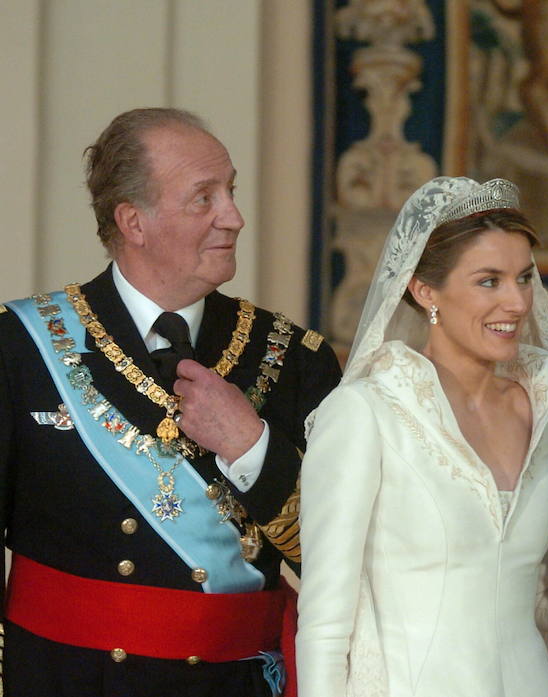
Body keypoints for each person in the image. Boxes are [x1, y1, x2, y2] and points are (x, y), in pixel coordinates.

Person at [0, 108, 341, 696]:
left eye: (230, 191)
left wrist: (252, 447)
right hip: (67, 681)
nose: (234, 217)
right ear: (133, 221)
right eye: (202, 198)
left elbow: (342, 559)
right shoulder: (19, 346)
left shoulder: (293, 357)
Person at [296, 176, 548, 697]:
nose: (518, 302)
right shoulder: (365, 413)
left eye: (525, 278)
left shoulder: (544, 409)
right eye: (489, 281)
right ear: (424, 290)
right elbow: (324, 624)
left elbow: (538, 591)